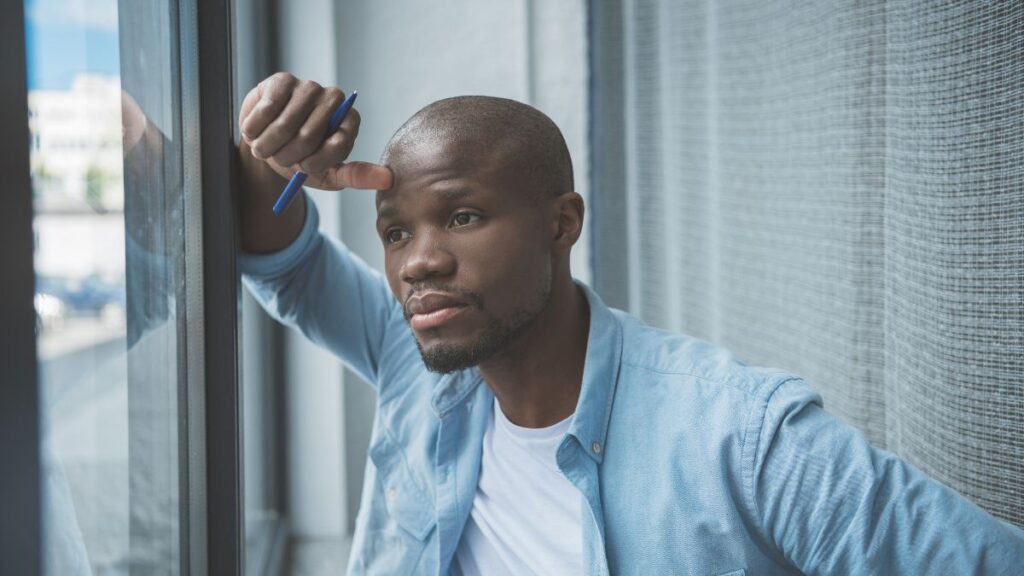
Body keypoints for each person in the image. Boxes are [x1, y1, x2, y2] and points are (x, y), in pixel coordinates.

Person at [237, 72, 1024, 575]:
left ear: (562, 223)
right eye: (396, 232)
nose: (418, 263)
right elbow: (282, 257)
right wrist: (266, 148)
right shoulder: (417, 359)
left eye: (464, 215)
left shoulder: (740, 438)